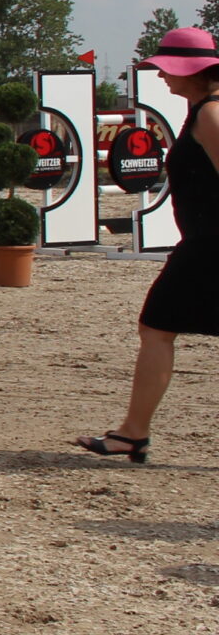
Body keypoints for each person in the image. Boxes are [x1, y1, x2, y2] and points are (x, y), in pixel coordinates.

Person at [80, 25, 219, 462]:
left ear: (192, 71)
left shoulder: (211, 115)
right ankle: (132, 432)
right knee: (157, 327)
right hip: (204, 242)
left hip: (210, 246)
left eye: (166, 67)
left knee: (157, 327)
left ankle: (133, 433)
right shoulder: (203, 111)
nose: (160, 75)